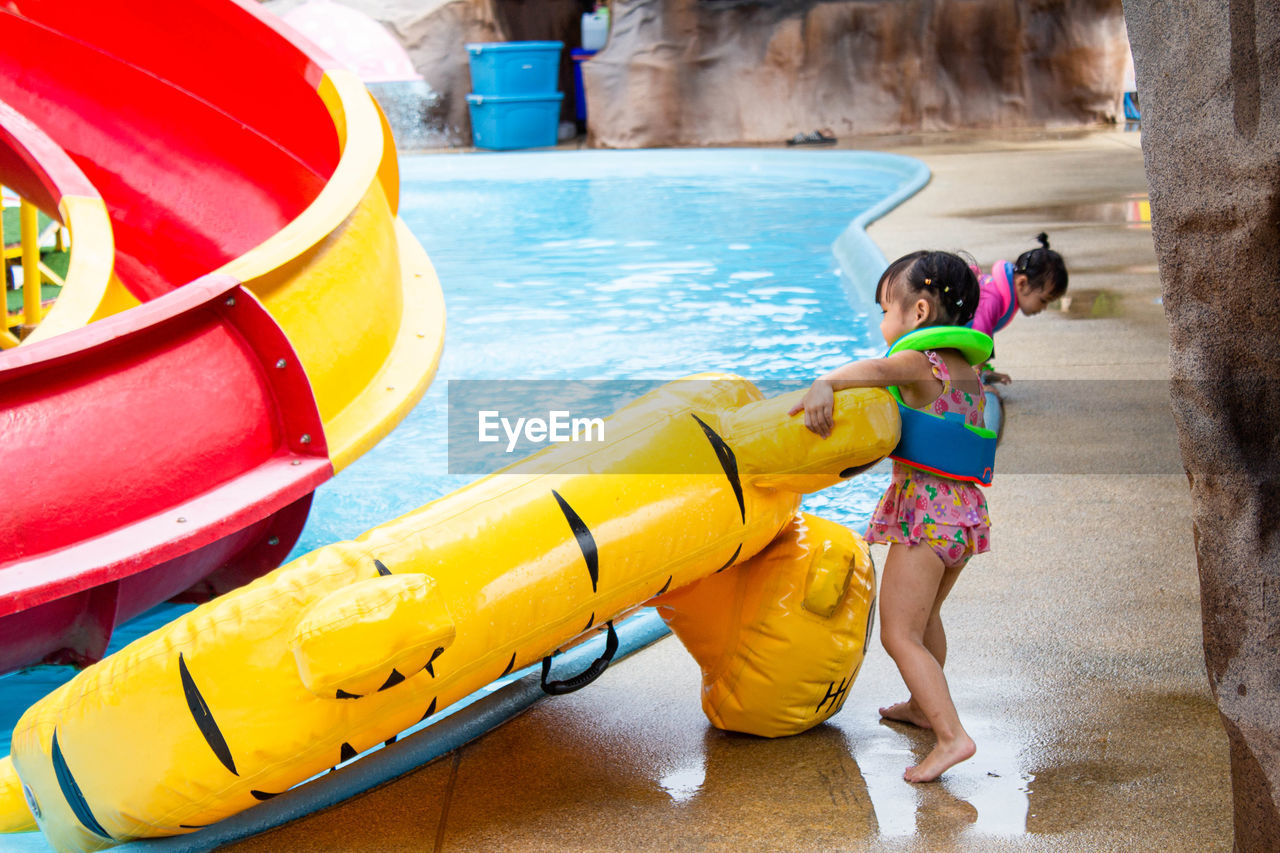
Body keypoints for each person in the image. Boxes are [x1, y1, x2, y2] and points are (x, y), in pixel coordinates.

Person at [789, 249, 990, 782]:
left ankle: (951, 737)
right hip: (963, 517)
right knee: (925, 621)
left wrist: (825, 383)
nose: (882, 322)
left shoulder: (919, 363)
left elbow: (876, 371)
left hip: (926, 519)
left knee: (899, 634)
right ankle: (925, 709)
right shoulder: (967, 368)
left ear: (918, 313)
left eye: (885, 310)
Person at [970, 232, 1068, 386]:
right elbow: (977, 339)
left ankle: (980, 374)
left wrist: (984, 371)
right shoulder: (993, 298)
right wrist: (977, 388)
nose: (1044, 307)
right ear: (1022, 283)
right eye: (1043, 300)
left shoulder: (1004, 296)